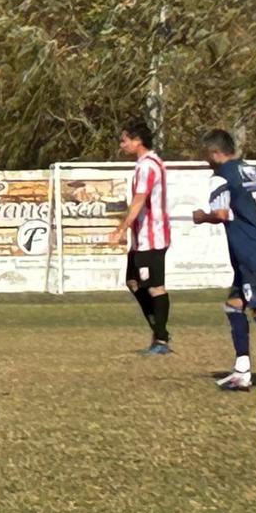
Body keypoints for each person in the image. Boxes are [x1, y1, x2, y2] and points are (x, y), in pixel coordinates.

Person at [192, 129, 256, 390]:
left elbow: (221, 213)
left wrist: (202, 217)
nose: (205, 161)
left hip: (251, 254)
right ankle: (241, 371)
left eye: (206, 155)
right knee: (233, 306)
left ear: (214, 153)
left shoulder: (221, 176)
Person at [108, 122, 172, 354]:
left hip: (152, 237)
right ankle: (159, 330)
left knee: (155, 287)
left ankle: (161, 340)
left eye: (125, 140)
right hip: (142, 238)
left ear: (138, 141)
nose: (122, 144)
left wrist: (121, 229)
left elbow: (139, 200)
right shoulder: (146, 164)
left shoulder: (147, 166)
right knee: (133, 281)